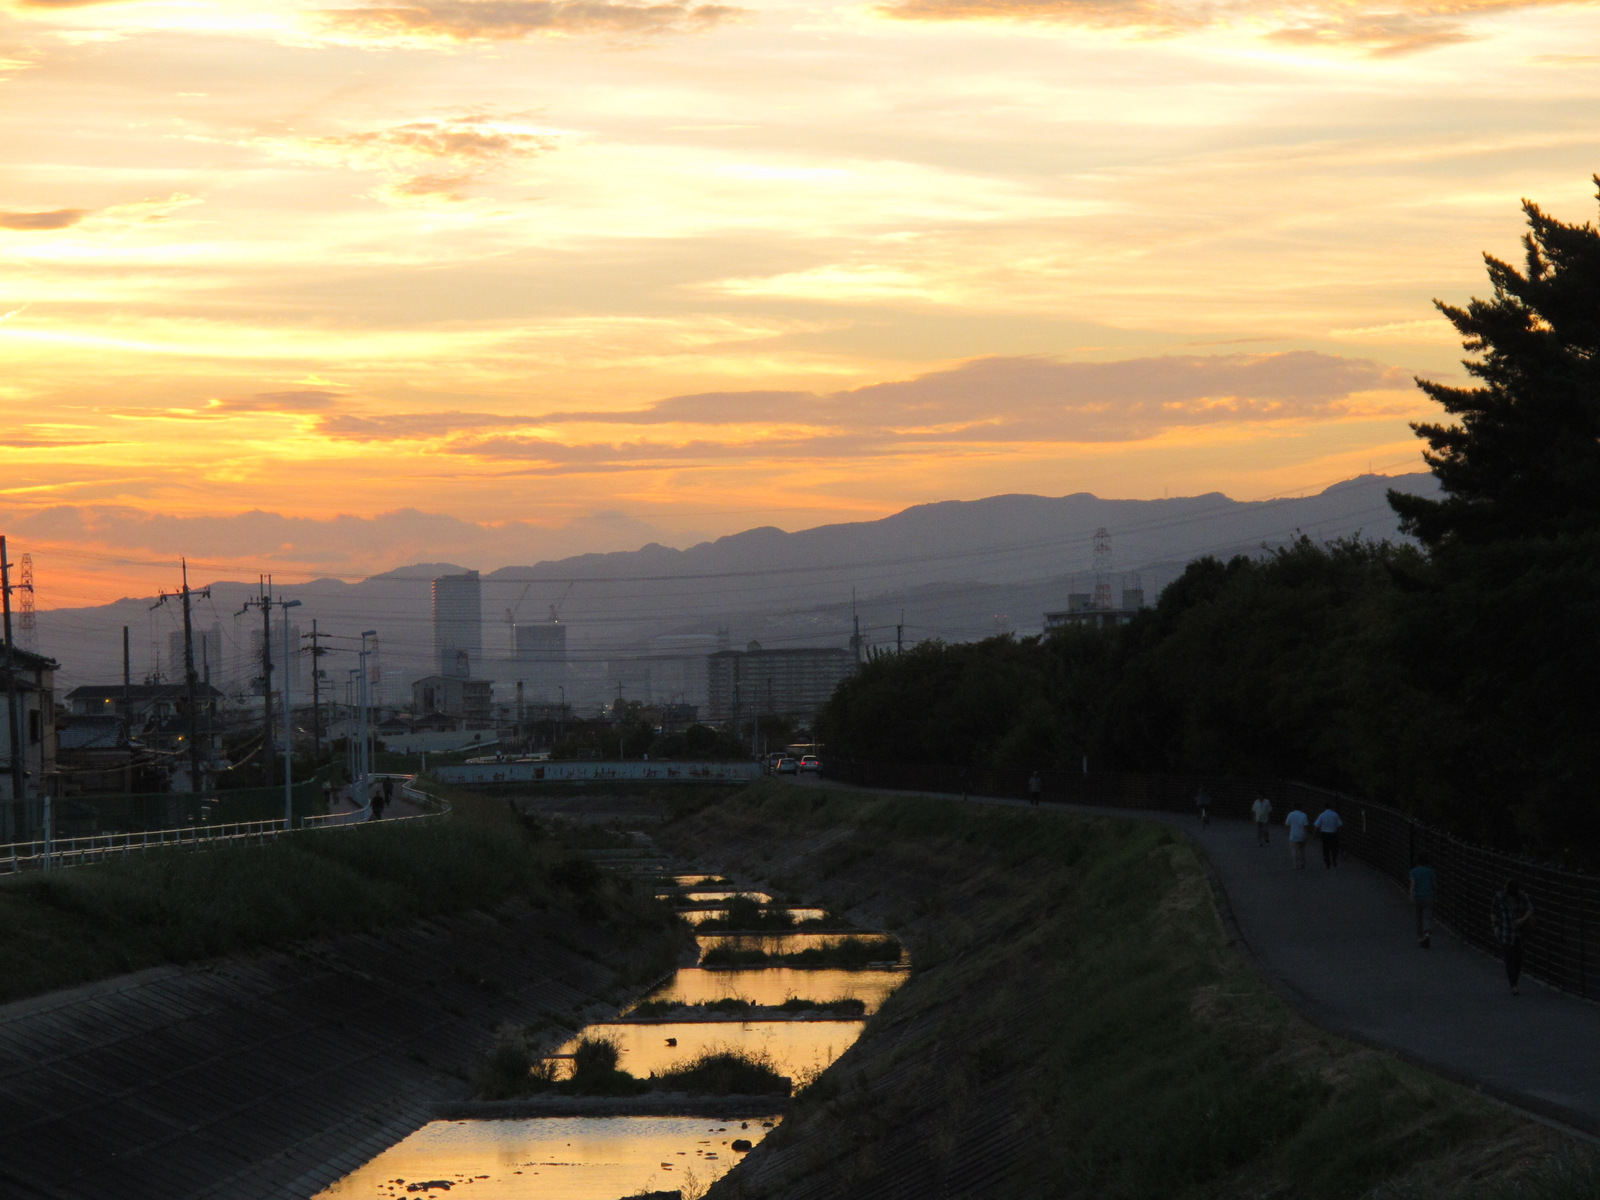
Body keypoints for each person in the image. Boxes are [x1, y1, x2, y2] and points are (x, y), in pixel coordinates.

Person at [1492, 880, 1535, 994]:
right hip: (1506, 932)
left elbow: (1530, 909)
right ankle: (1513, 984)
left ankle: (1514, 981)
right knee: (1510, 959)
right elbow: (1494, 911)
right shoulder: (1500, 897)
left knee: (1518, 959)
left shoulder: (1522, 897)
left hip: (1518, 933)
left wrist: (1522, 920)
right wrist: (1495, 926)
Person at [1409, 853, 1436, 948]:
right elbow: (1434, 884)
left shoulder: (1413, 871)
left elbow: (1413, 884)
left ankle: (1420, 937)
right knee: (1428, 916)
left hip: (1418, 896)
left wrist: (1411, 894)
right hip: (1429, 896)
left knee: (1418, 917)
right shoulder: (1430, 871)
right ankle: (1427, 932)